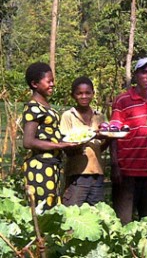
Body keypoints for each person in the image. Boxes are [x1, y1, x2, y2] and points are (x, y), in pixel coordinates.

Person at [110, 57, 147, 224]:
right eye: (144, 72)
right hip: (127, 172)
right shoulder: (123, 100)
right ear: (136, 75)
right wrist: (115, 165)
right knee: (123, 222)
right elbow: (113, 133)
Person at [22, 62, 76, 210]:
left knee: (53, 210)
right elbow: (28, 141)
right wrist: (61, 145)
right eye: (49, 81)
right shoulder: (33, 107)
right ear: (34, 84)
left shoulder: (46, 106)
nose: (52, 84)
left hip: (52, 166)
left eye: (53, 80)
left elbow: (49, 134)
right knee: (43, 211)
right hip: (40, 167)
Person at [60, 76, 110, 206]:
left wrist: (110, 138)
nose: (84, 96)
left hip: (97, 175)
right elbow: (66, 148)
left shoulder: (99, 117)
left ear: (93, 94)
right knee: (72, 216)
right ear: (73, 95)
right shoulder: (68, 116)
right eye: (79, 93)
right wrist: (87, 139)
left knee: (97, 216)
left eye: (87, 93)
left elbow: (99, 148)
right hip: (77, 176)